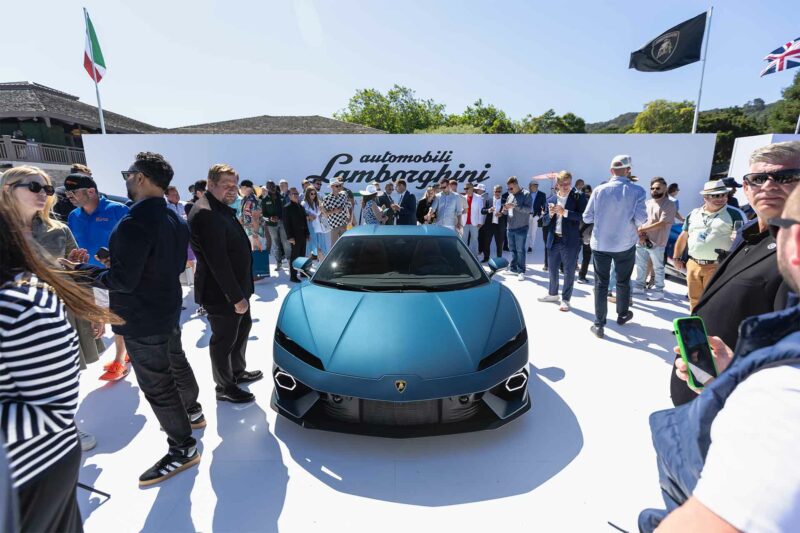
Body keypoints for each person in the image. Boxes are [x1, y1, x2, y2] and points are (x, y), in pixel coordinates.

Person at [638, 186, 800, 533]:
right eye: (755, 180)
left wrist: (744, 386)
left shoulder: (784, 392)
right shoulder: (730, 228)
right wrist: (731, 374)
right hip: (696, 271)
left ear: (794, 242)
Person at [69, 152, 207, 487]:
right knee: (175, 361)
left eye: (128, 174)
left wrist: (85, 272)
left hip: (143, 317)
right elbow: (164, 264)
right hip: (167, 308)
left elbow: (123, 282)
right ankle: (193, 413)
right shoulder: (174, 218)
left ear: (142, 178)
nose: (126, 180)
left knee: (158, 384)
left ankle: (183, 448)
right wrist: (114, 260)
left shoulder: (134, 221)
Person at [0, 200, 121, 533]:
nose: (42, 193)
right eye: (32, 186)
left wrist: (93, 308)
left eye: (44, 187)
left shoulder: (22, 303)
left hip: (30, 467)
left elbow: (54, 407)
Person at [669, 141, 799, 406]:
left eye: (785, 177)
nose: (768, 186)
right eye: (758, 178)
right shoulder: (749, 232)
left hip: (733, 406)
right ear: (747, 187)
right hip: (700, 387)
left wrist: (733, 372)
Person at [189, 163, 262, 403]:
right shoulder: (206, 212)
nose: (232, 190)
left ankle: (237, 372)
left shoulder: (221, 208)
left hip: (237, 290)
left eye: (234, 185)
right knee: (224, 340)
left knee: (241, 332)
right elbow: (217, 262)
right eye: (225, 185)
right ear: (210, 184)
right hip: (222, 294)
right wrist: (236, 298)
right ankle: (224, 387)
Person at [64, 173, 131, 381]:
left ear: (90, 191)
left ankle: (120, 359)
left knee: (117, 316)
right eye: (67, 192)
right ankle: (123, 353)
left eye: (73, 192)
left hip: (114, 275)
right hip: (86, 277)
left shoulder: (118, 210)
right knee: (104, 317)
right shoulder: (73, 216)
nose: (69, 196)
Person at [583, 155, 647, 339]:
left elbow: (587, 217)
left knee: (601, 284)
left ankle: (599, 324)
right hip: (624, 244)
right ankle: (622, 314)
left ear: (611, 171)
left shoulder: (599, 190)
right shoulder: (638, 191)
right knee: (623, 280)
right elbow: (641, 219)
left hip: (601, 244)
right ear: (629, 170)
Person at [672, 180, 745, 311]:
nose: (721, 198)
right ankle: (693, 327)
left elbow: (745, 238)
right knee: (693, 299)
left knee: (713, 301)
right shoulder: (694, 214)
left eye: (724, 195)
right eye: (716, 195)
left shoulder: (735, 214)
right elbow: (683, 236)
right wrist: (676, 258)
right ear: (705, 197)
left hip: (717, 265)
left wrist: (738, 238)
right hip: (693, 264)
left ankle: (709, 329)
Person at [537, 171, 588, 311]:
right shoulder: (551, 199)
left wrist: (564, 212)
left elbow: (584, 217)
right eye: (563, 184)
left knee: (569, 271)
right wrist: (551, 214)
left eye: (568, 183)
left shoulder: (578, 197)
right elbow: (544, 222)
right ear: (557, 185)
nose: (566, 186)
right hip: (553, 239)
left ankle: (566, 299)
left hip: (570, 240)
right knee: (552, 269)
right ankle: (553, 294)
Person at [631, 177, 678, 301]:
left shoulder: (670, 204)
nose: (654, 190)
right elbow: (641, 220)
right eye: (652, 188)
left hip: (657, 242)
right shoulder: (648, 203)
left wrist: (642, 230)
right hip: (642, 240)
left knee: (658, 267)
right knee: (641, 265)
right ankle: (639, 286)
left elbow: (663, 223)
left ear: (665, 188)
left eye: (658, 188)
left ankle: (659, 290)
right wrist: (641, 233)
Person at [503, 176, 533, 280]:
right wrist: (505, 209)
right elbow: (507, 210)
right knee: (512, 249)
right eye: (508, 189)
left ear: (516, 185)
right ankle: (513, 268)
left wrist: (515, 206)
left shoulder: (526, 194)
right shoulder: (510, 195)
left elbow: (528, 209)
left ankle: (521, 271)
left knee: (520, 250)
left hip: (521, 227)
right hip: (510, 227)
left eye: (511, 188)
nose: (510, 190)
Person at [261, 180, 292, 271]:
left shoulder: (282, 197)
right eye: (270, 187)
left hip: (282, 223)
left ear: (276, 186)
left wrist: (280, 218)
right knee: (276, 243)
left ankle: (290, 261)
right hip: (271, 225)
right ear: (267, 188)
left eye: (273, 186)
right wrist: (270, 218)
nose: (272, 188)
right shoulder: (265, 200)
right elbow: (264, 215)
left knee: (285, 242)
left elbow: (286, 211)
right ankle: (279, 262)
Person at [283, 187, 311, 282]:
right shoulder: (287, 208)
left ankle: (302, 273)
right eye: (293, 194)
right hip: (294, 236)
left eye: (296, 194)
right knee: (295, 256)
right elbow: (286, 224)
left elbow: (304, 221)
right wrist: (290, 237)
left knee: (302, 255)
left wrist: (307, 233)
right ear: (290, 196)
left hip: (302, 235)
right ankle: (293, 276)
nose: (295, 195)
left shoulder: (301, 207)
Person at [302, 186, 329, 261]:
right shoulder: (304, 204)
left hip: (319, 228)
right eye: (312, 193)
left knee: (321, 249)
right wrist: (308, 216)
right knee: (310, 249)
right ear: (307, 194)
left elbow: (325, 215)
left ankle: (322, 266)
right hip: (310, 229)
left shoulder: (318, 203)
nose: (313, 195)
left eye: (315, 194)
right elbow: (301, 216)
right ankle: (306, 267)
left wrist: (322, 210)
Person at [322, 178, 351, 245]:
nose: (339, 187)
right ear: (332, 187)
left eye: (339, 185)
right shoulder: (327, 198)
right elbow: (325, 214)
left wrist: (349, 219)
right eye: (337, 186)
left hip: (343, 224)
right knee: (334, 246)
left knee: (345, 245)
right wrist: (335, 211)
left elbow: (349, 206)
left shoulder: (343, 195)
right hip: (334, 225)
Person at [460, 182, 483, 256]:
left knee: (474, 241)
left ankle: (475, 258)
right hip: (464, 223)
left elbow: (481, 210)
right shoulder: (463, 198)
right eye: (465, 188)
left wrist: (480, 222)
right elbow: (459, 210)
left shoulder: (478, 197)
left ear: (472, 188)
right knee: (464, 241)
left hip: (475, 223)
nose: (465, 190)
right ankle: (464, 257)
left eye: (467, 188)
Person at [577, 185, 594, 283]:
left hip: (578, 231)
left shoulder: (578, 201)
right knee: (587, 255)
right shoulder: (593, 202)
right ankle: (582, 276)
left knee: (574, 254)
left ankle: (564, 269)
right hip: (588, 233)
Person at [527, 180, 547, 255]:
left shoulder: (542, 194)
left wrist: (542, 214)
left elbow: (544, 205)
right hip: (526, 215)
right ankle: (523, 245)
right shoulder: (527, 194)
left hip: (536, 215)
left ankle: (530, 246)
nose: (534, 187)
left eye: (535, 185)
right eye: (531, 185)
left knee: (533, 232)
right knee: (526, 231)